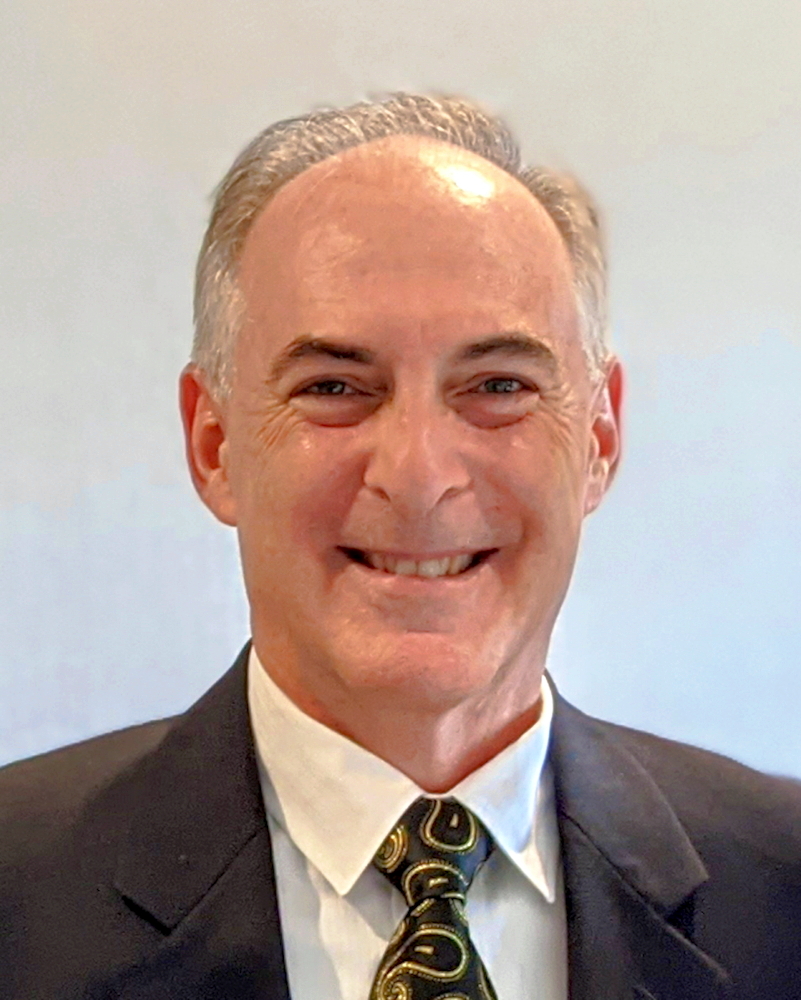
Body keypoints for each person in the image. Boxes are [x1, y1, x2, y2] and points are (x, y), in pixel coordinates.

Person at [1, 92, 799, 1000]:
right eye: (335, 387)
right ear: (213, 445)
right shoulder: (19, 895)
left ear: (598, 439)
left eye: (497, 385)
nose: (419, 476)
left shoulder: (781, 888)